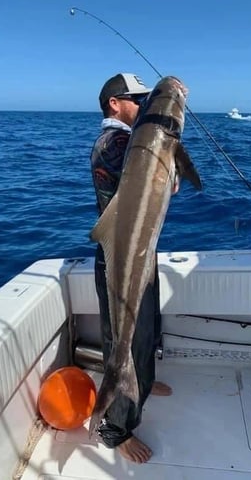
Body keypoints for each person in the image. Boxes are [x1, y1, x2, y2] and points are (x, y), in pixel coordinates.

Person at [90, 73, 172, 464]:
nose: (142, 107)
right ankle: (115, 429)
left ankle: (141, 380)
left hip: (141, 252)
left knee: (147, 332)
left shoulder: (134, 139)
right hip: (119, 258)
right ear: (114, 104)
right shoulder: (114, 142)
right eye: (136, 100)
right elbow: (160, 180)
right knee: (123, 342)